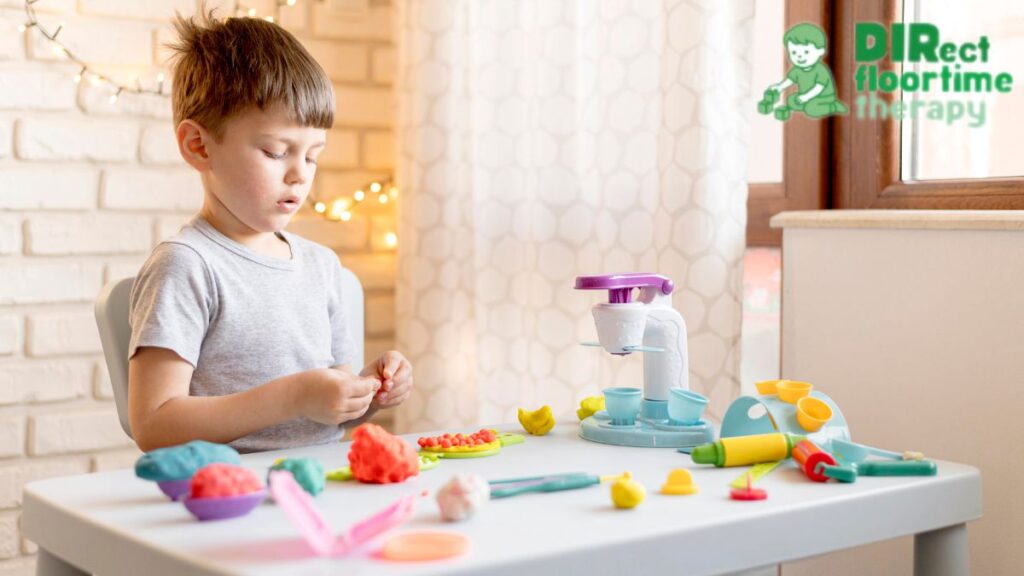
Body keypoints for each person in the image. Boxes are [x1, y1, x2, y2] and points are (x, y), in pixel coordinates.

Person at [127, 8, 412, 453]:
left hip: (323, 481)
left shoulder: (321, 266)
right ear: (199, 146)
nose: (300, 175)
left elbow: (328, 408)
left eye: (313, 155)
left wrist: (367, 392)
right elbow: (154, 424)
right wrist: (293, 396)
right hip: (224, 494)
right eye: (276, 151)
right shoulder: (188, 265)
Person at [759, 22, 849, 120]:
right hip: (805, 96)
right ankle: (796, 108)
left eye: (806, 52)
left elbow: (818, 88)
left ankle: (833, 106)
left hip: (823, 98)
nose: (799, 56)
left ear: (821, 51)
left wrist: (805, 97)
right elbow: (789, 80)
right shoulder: (797, 70)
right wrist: (779, 87)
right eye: (794, 52)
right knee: (791, 100)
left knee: (811, 109)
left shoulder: (821, 70)